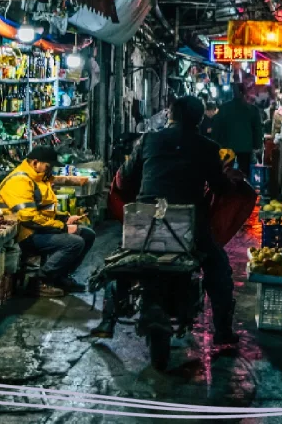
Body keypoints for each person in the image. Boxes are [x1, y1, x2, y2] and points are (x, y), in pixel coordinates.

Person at [91, 96, 240, 345]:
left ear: (170, 115)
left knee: (123, 260)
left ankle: (107, 321)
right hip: (189, 225)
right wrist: (230, 180)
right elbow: (220, 187)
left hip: (146, 220)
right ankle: (223, 329)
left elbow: (126, 177)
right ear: (200, 119)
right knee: (219, 269)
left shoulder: (148, 140)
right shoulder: (207, 147)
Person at [0, 146, 95, 297]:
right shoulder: (19, 181)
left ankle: (59, 277)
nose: (51, 170)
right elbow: (28, 218)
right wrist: (62, 227)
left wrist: (64, 218)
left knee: (87, 234)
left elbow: (44, 209)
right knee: (74, 242)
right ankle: (40, 281)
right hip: (24, 234)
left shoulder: (39, 178)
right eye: (49, 166)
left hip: (37, 228)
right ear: (35, 163)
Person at [212, 83, 264, 178]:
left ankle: (226, 191)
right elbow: (257, 130)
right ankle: (242, 191)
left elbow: (216, 128)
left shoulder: (224, 108)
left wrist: (216, 144)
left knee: (225, 172)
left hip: (226, 146)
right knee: (243, 173)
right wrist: (258, 146)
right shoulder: (252, 109)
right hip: (245, 146)